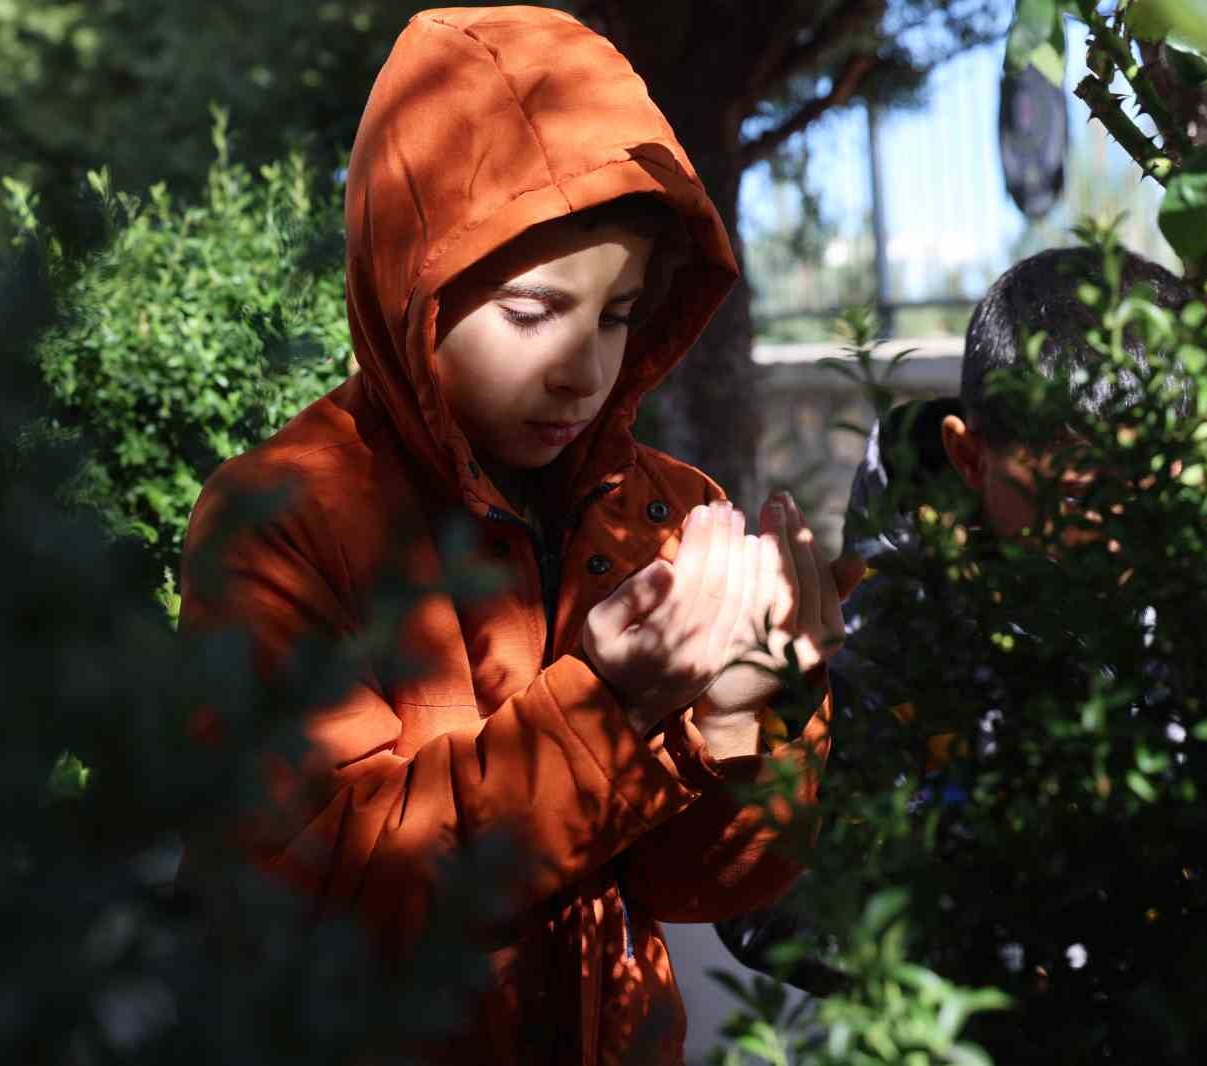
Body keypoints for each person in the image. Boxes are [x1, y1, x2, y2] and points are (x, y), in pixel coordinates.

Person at [175, 7, 856, 1063]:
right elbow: (325, 892)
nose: (581, 369)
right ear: (413, 282)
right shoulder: (283, 516)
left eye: (619, 314)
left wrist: (745, 717)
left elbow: (698, 885)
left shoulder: (661, 510)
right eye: (534, 311)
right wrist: (609, 706)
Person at [716, 245, 1207, 992]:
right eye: (1081, 501)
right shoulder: (886, 642)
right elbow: (771, 898)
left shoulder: (1202, 610)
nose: (1127, 536)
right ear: (969, 459)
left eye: (1160, 490)